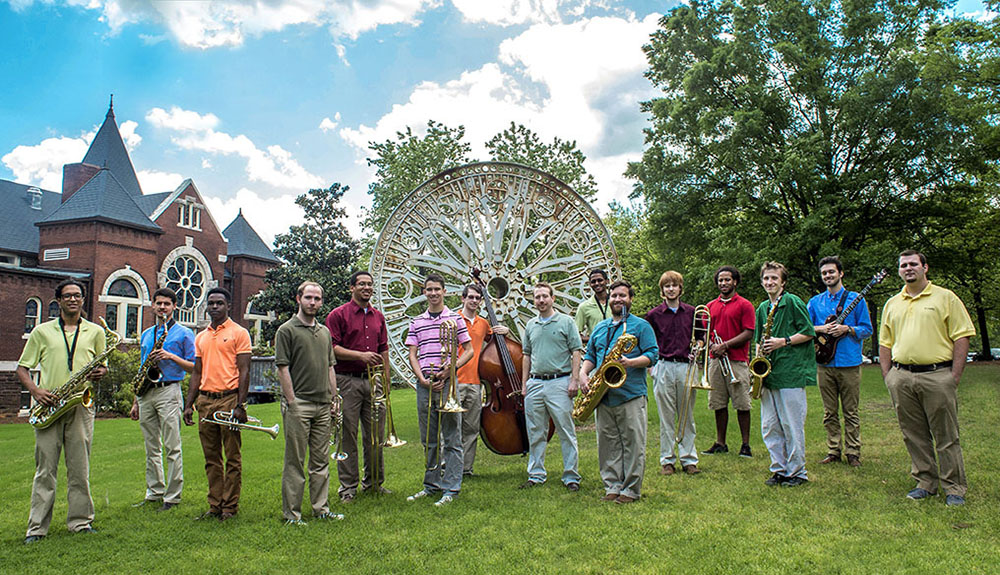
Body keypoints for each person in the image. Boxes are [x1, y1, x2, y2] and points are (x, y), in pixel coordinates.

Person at [879, 250, 974, 506]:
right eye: (903, 265)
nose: (908, 268)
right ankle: (925, 482)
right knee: (913, 434)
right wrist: (889, 376)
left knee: (946, 434)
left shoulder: (945, 298)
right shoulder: (893, 303)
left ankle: (954, 487)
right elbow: (885, 342)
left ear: (925, 268)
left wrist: (953, 375)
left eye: (913, 264)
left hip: (937, 375)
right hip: (902, 377)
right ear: (899, 270)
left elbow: (962, 336)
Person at [18, 279, 108, 544]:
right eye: (67, 296)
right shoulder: (42, 331)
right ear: (58, 301)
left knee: (79, 468)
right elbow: (22, 369)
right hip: (49, 405)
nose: (73, 300)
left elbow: (102, 367)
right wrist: (36, 392)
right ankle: (36, 528)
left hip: (80, 406)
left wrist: (102, 372)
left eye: (77, 296)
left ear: (83, 300)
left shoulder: (95, 332)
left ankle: (80, 522)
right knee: (45, 470)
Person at [581, 280, 658, 504]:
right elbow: (590, 355)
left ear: (630, 299)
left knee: (633, 443)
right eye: (614, 295)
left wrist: (631, 362)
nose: (618, 299)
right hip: (603, 395)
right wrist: (584, 374)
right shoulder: (601, 327)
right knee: (607, 443)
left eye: (622, 295)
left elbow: (653, 354)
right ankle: (612, 485)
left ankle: (631, 490)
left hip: (631, 394)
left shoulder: (641, 326)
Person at [275, 281, 343, 524]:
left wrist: (334, 399)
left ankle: (321, 509)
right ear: (298, 299)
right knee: (295, 462)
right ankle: (292, 514)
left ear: (322, 302)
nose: (312, 303)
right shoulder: (286, 330)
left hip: (323, 405)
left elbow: (330, 367)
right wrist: (292, 401)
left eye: (317, 299)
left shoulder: (324, 332)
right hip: (299, 405)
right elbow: (283, 368)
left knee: (321, 462)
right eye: (308, 298)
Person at [182, 287, 252, 521]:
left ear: (228, 306)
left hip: (229, 398)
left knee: (232, 456)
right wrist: (188, 404)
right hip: (206, 400)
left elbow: (244, 371)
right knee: (211, 458)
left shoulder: (239, 332)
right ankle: (214, 505)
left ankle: (229, 507)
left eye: (219, 303)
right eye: (210, 303)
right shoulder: (201, 336)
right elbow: (196, 373)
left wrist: (241, 405)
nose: (214, 307)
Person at [405, 274, 473, 507]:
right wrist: (422, 379)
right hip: (425, 383)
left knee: (452, 437)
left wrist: (450, 369)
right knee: (429, 438)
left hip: (447, 384)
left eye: (437, 289)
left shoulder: (455, 318)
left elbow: (469, 350)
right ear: (424, 293)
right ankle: (431, 485)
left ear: (444, 292)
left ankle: (451, 488)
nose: (433, 293)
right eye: (429, 289)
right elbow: (412, 354)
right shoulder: (416, 321)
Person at [326, 270, 390, 503]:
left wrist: (387, 381)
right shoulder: (337, 315)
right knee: (348, 436)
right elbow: (331, 348)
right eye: (362, 284)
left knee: (376, 436)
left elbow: (384, 350)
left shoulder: (378, 317)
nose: (367, 288)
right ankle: (348, 488)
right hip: (347, 381)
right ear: (351, 288)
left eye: (370, 284)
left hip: (374, 382)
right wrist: (360, 356)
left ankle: (374, 484)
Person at [129, 287, 195, 512]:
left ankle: (173, 496)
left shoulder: (184, 333)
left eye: (167, 304)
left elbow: (194, 367)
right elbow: (141, 366)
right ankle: (154, 492)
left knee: (172, 446)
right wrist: (136, 400)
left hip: (169, 390)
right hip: (147, 391)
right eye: (159, 303)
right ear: (153, 305)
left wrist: (170, 356)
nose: (162, 307)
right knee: (151, 446)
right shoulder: (148, 334)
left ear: (174, 306)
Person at [807, 256, 873, 467]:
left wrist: (848, 329)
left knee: (851, 411)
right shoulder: (815, 302)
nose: (828, 276)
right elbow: (805, 328)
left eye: (831, 272)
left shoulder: (856, 299)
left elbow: (867, 329)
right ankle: (833, 449)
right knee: (829, 411)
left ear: (840, 273)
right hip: (824, 363)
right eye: (824, 273)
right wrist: (821, 329)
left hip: (849, 363)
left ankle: (853, 452)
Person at [755, 262, 816, 487]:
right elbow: (758, 343)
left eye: (774, 278)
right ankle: (779, 469)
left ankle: (797, 472)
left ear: (783, 281)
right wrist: (757, 370)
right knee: (770, 425)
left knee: (791, 424)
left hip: (790, 371)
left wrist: (784, 341)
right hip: (769, 374)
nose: (769, 282)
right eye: (766, 279)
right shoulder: (762, 308)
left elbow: (808, 332)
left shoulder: (793, 302)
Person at [520, 282, 584, 491]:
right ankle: (536, 474)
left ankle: (571, 475)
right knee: (535, 431)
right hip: (535, 383)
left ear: (552, 298)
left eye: (544, 296)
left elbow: (576, 351)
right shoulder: (530, 325)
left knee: (566, 430)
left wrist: (574, 380)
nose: (541, 300)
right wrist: (524, 385)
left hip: (560, 382)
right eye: (537, 297)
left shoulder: (566, 322)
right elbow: (526, 355)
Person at [646, 271, 700, 476]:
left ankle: (689, 459)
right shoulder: (653, 315)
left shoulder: (692, 312)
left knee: (687, 415)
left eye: (674, 285)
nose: (670, 289)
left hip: (686, 366)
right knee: (666, 416)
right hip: (664, 365)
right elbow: (648, 343)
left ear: (680, 288)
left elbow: (701, 337)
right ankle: (667, 460)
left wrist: (699, 347)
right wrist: (652, 368)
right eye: (667, 286)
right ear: (662, 290)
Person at [456, 283, 509, 476]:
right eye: (470, 297)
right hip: (455, 380)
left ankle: (466, 469)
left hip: (476, 382)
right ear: (463, 299)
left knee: (471, 429)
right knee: (451, 427)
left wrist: (506, 332)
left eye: (477, 298)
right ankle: (447, 466)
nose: (474, 301)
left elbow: (497, 345)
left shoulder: (483, 323)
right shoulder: (453, 320)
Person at [703, 266, 756, 457]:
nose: (723, 283)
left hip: (737, 360)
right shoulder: (709, 306)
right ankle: (720, 443)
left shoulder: (744, 305)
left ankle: (745, 444)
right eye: (720, 280)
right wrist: (712, 345)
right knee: (718, 403)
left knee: (742, 404)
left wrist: (724, 345)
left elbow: (749, 332)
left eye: (727, 280)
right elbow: (706, 332)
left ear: (735, 282)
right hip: (716, 361)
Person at [575, 268, 610, 345]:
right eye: (593, 281)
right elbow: (575, 334)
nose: (597, 283)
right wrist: (595, 338)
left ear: (607, 281)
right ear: (590, 284)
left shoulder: (616, 303)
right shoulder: (584, 307)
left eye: (600, 280)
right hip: (596, 351)